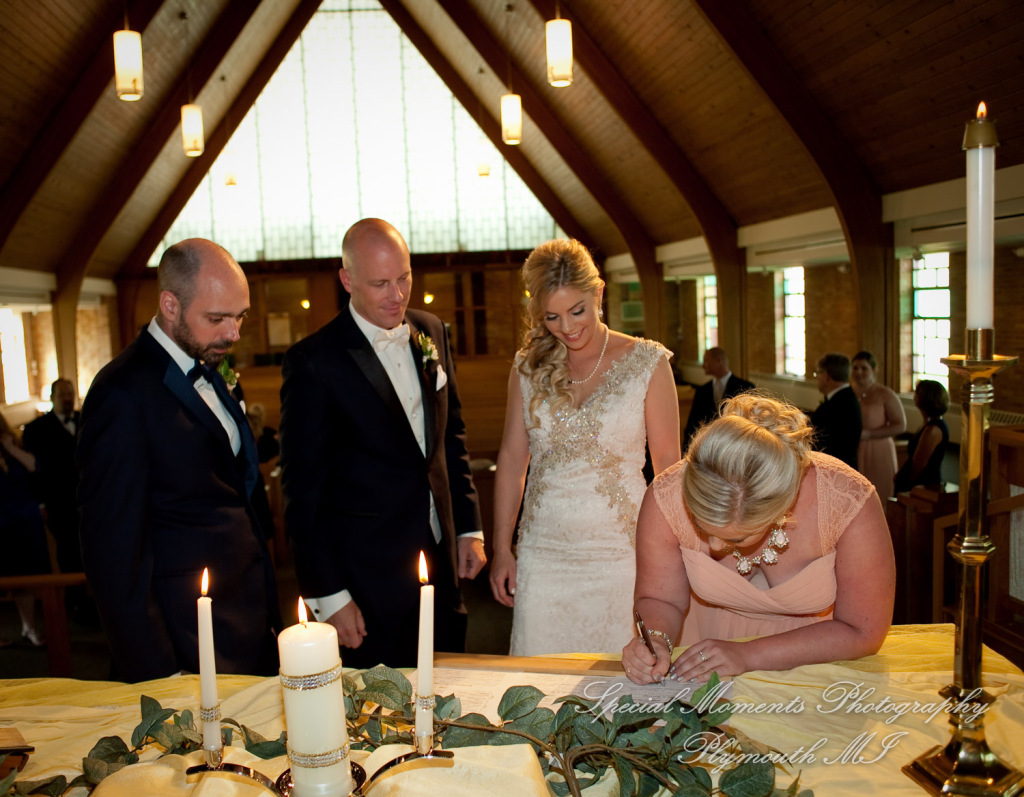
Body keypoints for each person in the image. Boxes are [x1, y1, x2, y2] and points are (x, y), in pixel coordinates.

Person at [280, 218, 485, 670]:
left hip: (441, 561)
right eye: (380, 284)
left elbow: (451, 436)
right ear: (347, 279)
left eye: (404, 278)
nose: (397, 295)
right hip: (367, 577)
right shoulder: (314, 362)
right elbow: (303, 495)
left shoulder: (431, 331)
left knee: (453, 692)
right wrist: (328, 595)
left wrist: (468, 527)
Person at [78, 238, 280, 682]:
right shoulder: (122, 395)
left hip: (247, 626)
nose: (233, 333)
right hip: (185, 645)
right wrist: (156, 674)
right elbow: (113, 554)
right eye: (217, 318)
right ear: (170, 305)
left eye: (239, 316)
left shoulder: (211, 364)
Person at [488, 238, 680, 656]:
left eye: (578, 310)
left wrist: (670, 556)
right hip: (544, 555)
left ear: (599, 293)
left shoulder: (648, 362)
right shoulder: (527, 366)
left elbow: (668, 467)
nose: (568, 327)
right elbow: (511, 458)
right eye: (552, 317)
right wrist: (501, 548)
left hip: (623, 554)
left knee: (621, 690)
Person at [622, 393, 894, 683]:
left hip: (815, 664)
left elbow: (862, 630)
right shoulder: (666, 496)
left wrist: (746, 655)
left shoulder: (847, 502)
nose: (714, 547)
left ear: (783, 506)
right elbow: (660, 598)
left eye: (737, 538)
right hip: (703, 667)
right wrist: (655, 639)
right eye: (704, 528)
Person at [0, 412, 49, 647]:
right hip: (2, 520)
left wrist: (10, 448)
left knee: (26, 576)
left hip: (24, 520)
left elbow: (34, 466)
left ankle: (28, 627)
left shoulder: (15, 445)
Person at [850, 351, 906, 499]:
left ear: (874, 370)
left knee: (878, 492)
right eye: (855, 368)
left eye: (864, 368)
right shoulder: (848, 393)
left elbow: (900, 425)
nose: (859, 372)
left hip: (878, 449)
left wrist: (870, 434)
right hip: (855, 448)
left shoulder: (885, 394)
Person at [683, 347, 755, 450]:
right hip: (709, 448)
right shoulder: (702, 391)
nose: (703, 365)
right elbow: (692, 424)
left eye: (706, 360)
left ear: (718, 360)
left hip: (737, 446)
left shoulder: (745, 387)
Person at [894, 380, 950, 493]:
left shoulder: (933, 429)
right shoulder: (928, 424)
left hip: (924, 487)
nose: (914, 395)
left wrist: (906, 485)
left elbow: (919, 464)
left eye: (917, 392)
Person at [810, 352, 862, 469]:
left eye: (817, 373)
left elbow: (821, 441)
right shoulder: (845, 397)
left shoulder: (838, 404)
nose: (817, 378)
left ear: (826, 375)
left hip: (835, 471)